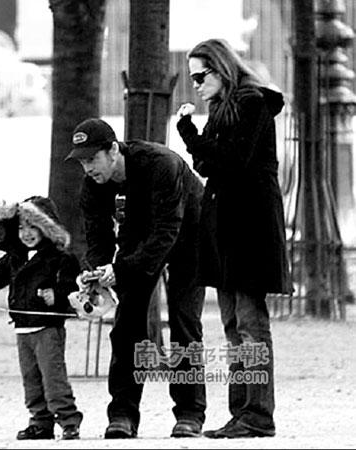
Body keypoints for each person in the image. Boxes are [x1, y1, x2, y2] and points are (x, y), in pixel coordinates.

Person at [176, 38, 293, 439]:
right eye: (192, 78)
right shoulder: (222, 109)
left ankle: (258, 414)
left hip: (250, 227)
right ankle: (241, 413)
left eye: (200, 76)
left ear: (222, 69)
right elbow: (207, 164)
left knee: (249, 323)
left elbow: (231, 161)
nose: (195, 85)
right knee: (231, 326)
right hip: (225, 228)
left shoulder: (251, 102)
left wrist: (189, 133)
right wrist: (198, 141)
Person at [65, 118, 206, 439]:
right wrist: (96, 272)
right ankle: (123, 414)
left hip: (190, 233)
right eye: (82, 162)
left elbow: (167, 231)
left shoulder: (162, 164)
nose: (88, 168)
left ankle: (189, 413)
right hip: (139, 233)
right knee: (127, 323)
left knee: (184, 323)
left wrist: (122, 270)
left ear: (113, 150)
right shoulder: (93, 185)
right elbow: (98, 238)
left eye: (92, 159)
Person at [0, 195, 83, 441]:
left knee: (53, 378)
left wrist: (57, 295)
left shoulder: (60, 258)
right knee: (31, 380)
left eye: (33, 227)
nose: (26, 233)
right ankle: (40, 422)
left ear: (46, 228)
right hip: (22, 330)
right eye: (21, 227)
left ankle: (69, 421)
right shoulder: (13, 257)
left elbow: (72, 288)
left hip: (48, 329)